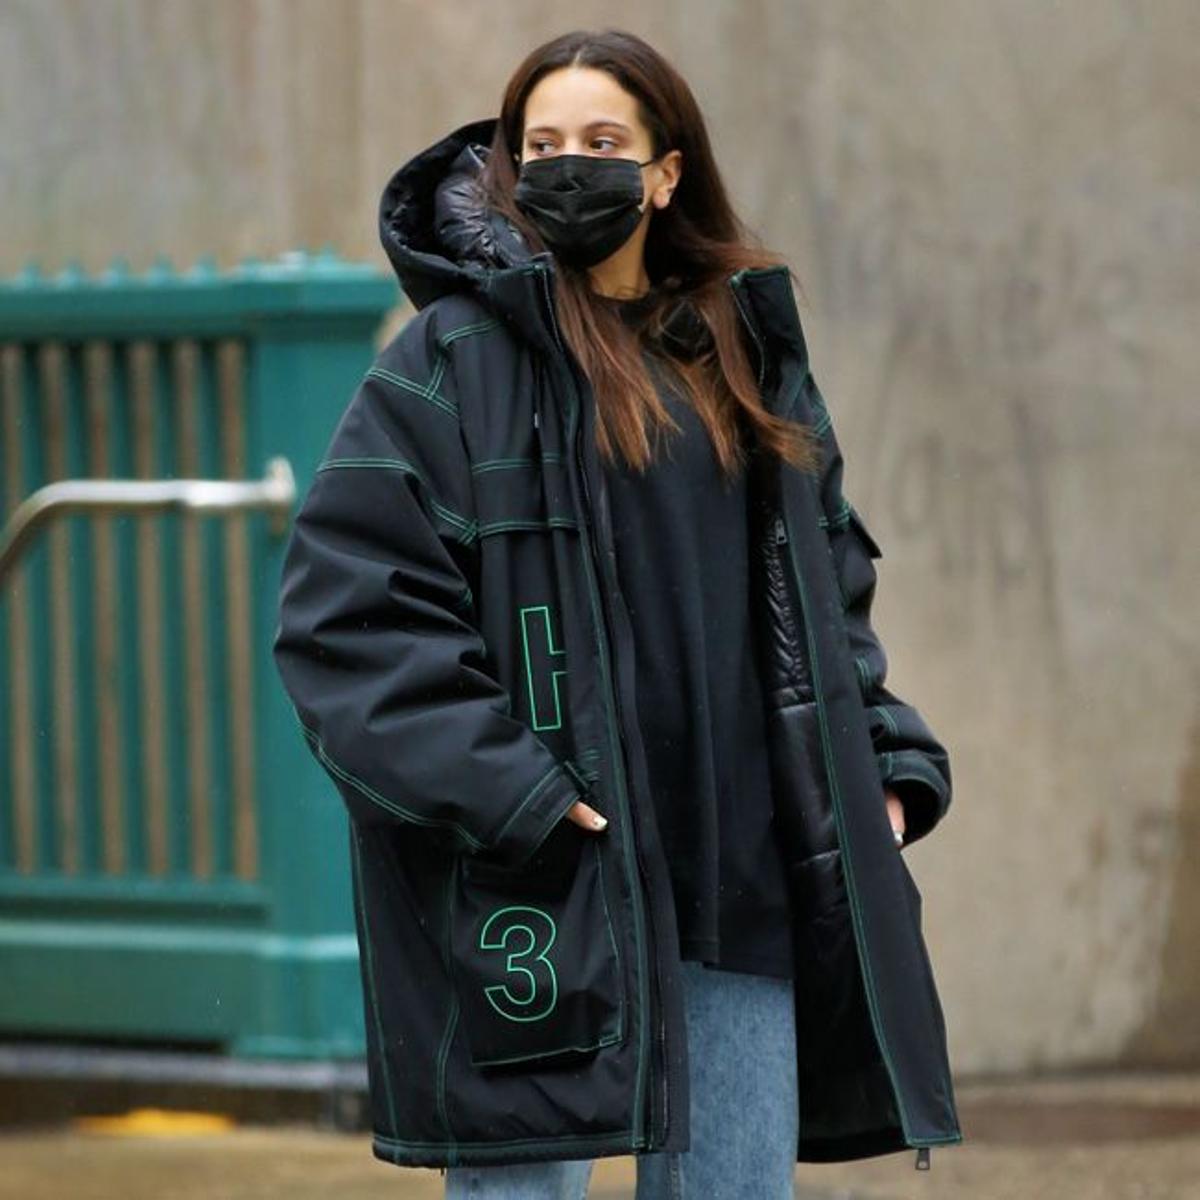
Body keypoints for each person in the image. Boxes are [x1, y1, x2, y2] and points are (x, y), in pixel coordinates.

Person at [272, 26, 960, 1200]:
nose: (568, 167)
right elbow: (348, 622)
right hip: (549, 890)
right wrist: (518, 797)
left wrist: (881, 761)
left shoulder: (742, 355)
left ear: (667, 171)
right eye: (542, 145)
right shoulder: (448, 363)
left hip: (738, 884)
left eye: (602, 142)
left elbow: (823, 591)